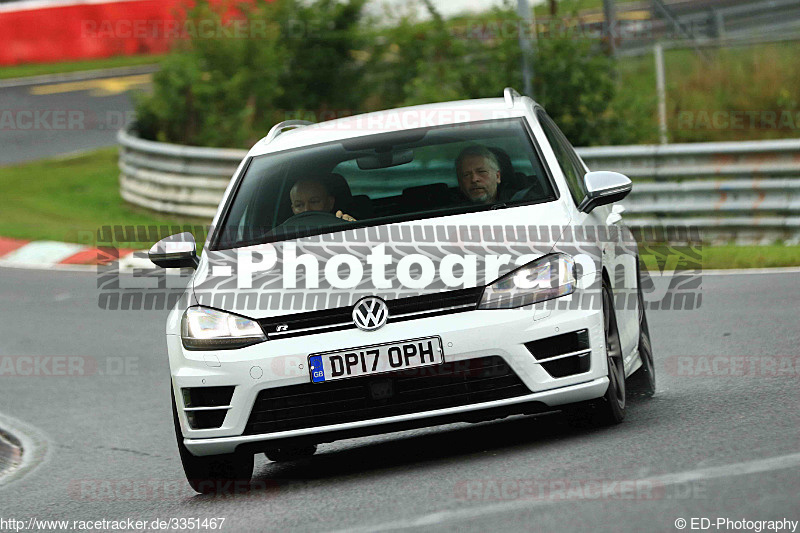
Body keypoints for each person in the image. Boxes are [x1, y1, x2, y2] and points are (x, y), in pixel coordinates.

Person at [289, 179, 356, 221]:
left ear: (330, 203)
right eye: (299, 205)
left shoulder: (340, 224)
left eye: (314, 202)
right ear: (293, 209)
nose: (307, 210)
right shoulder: (286, 233)